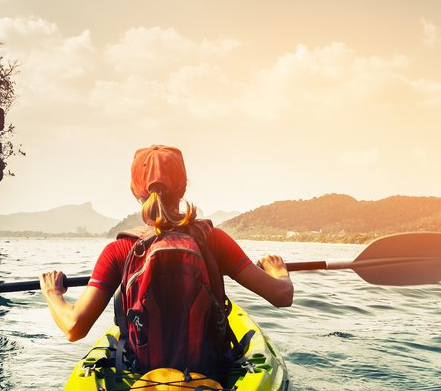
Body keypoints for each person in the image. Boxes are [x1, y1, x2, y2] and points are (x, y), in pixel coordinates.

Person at [39, 145, 293, 348]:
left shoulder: (120, 250)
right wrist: (278, 271)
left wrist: (53, 293)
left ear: (133, 191)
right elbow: (282, 296)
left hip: (143, 375)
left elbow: (74, 327)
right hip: (210, 373)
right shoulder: (213, 240)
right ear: (183, 187)